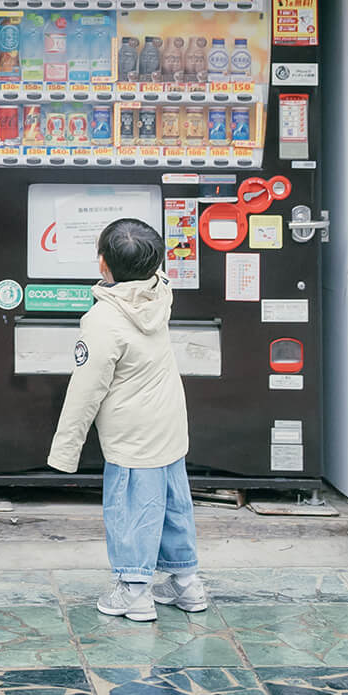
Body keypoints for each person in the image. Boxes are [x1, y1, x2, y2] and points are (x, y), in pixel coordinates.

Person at [47, 216, 207, 622]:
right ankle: (187, 584)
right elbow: (150, 269)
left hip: (131, 435)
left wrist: (65, 451)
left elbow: (85, 391)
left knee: (133, 508)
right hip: (170, 424)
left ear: (102, 264)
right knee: (174, 505)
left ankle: (135, 591)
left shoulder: (102, 321)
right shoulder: (161, 293)